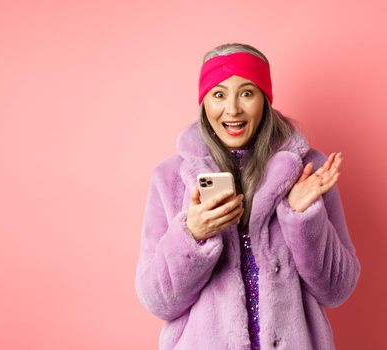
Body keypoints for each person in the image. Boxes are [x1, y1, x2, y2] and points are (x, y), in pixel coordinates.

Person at [134, 43, 361, 350]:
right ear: (204, 104)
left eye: (246, 92)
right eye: (218, 94)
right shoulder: (170, 178)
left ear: (264, 100)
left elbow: (337, 290)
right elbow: (157, 301)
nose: (233, 109)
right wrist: (193, 235)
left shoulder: (309, 171)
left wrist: (303, 218)